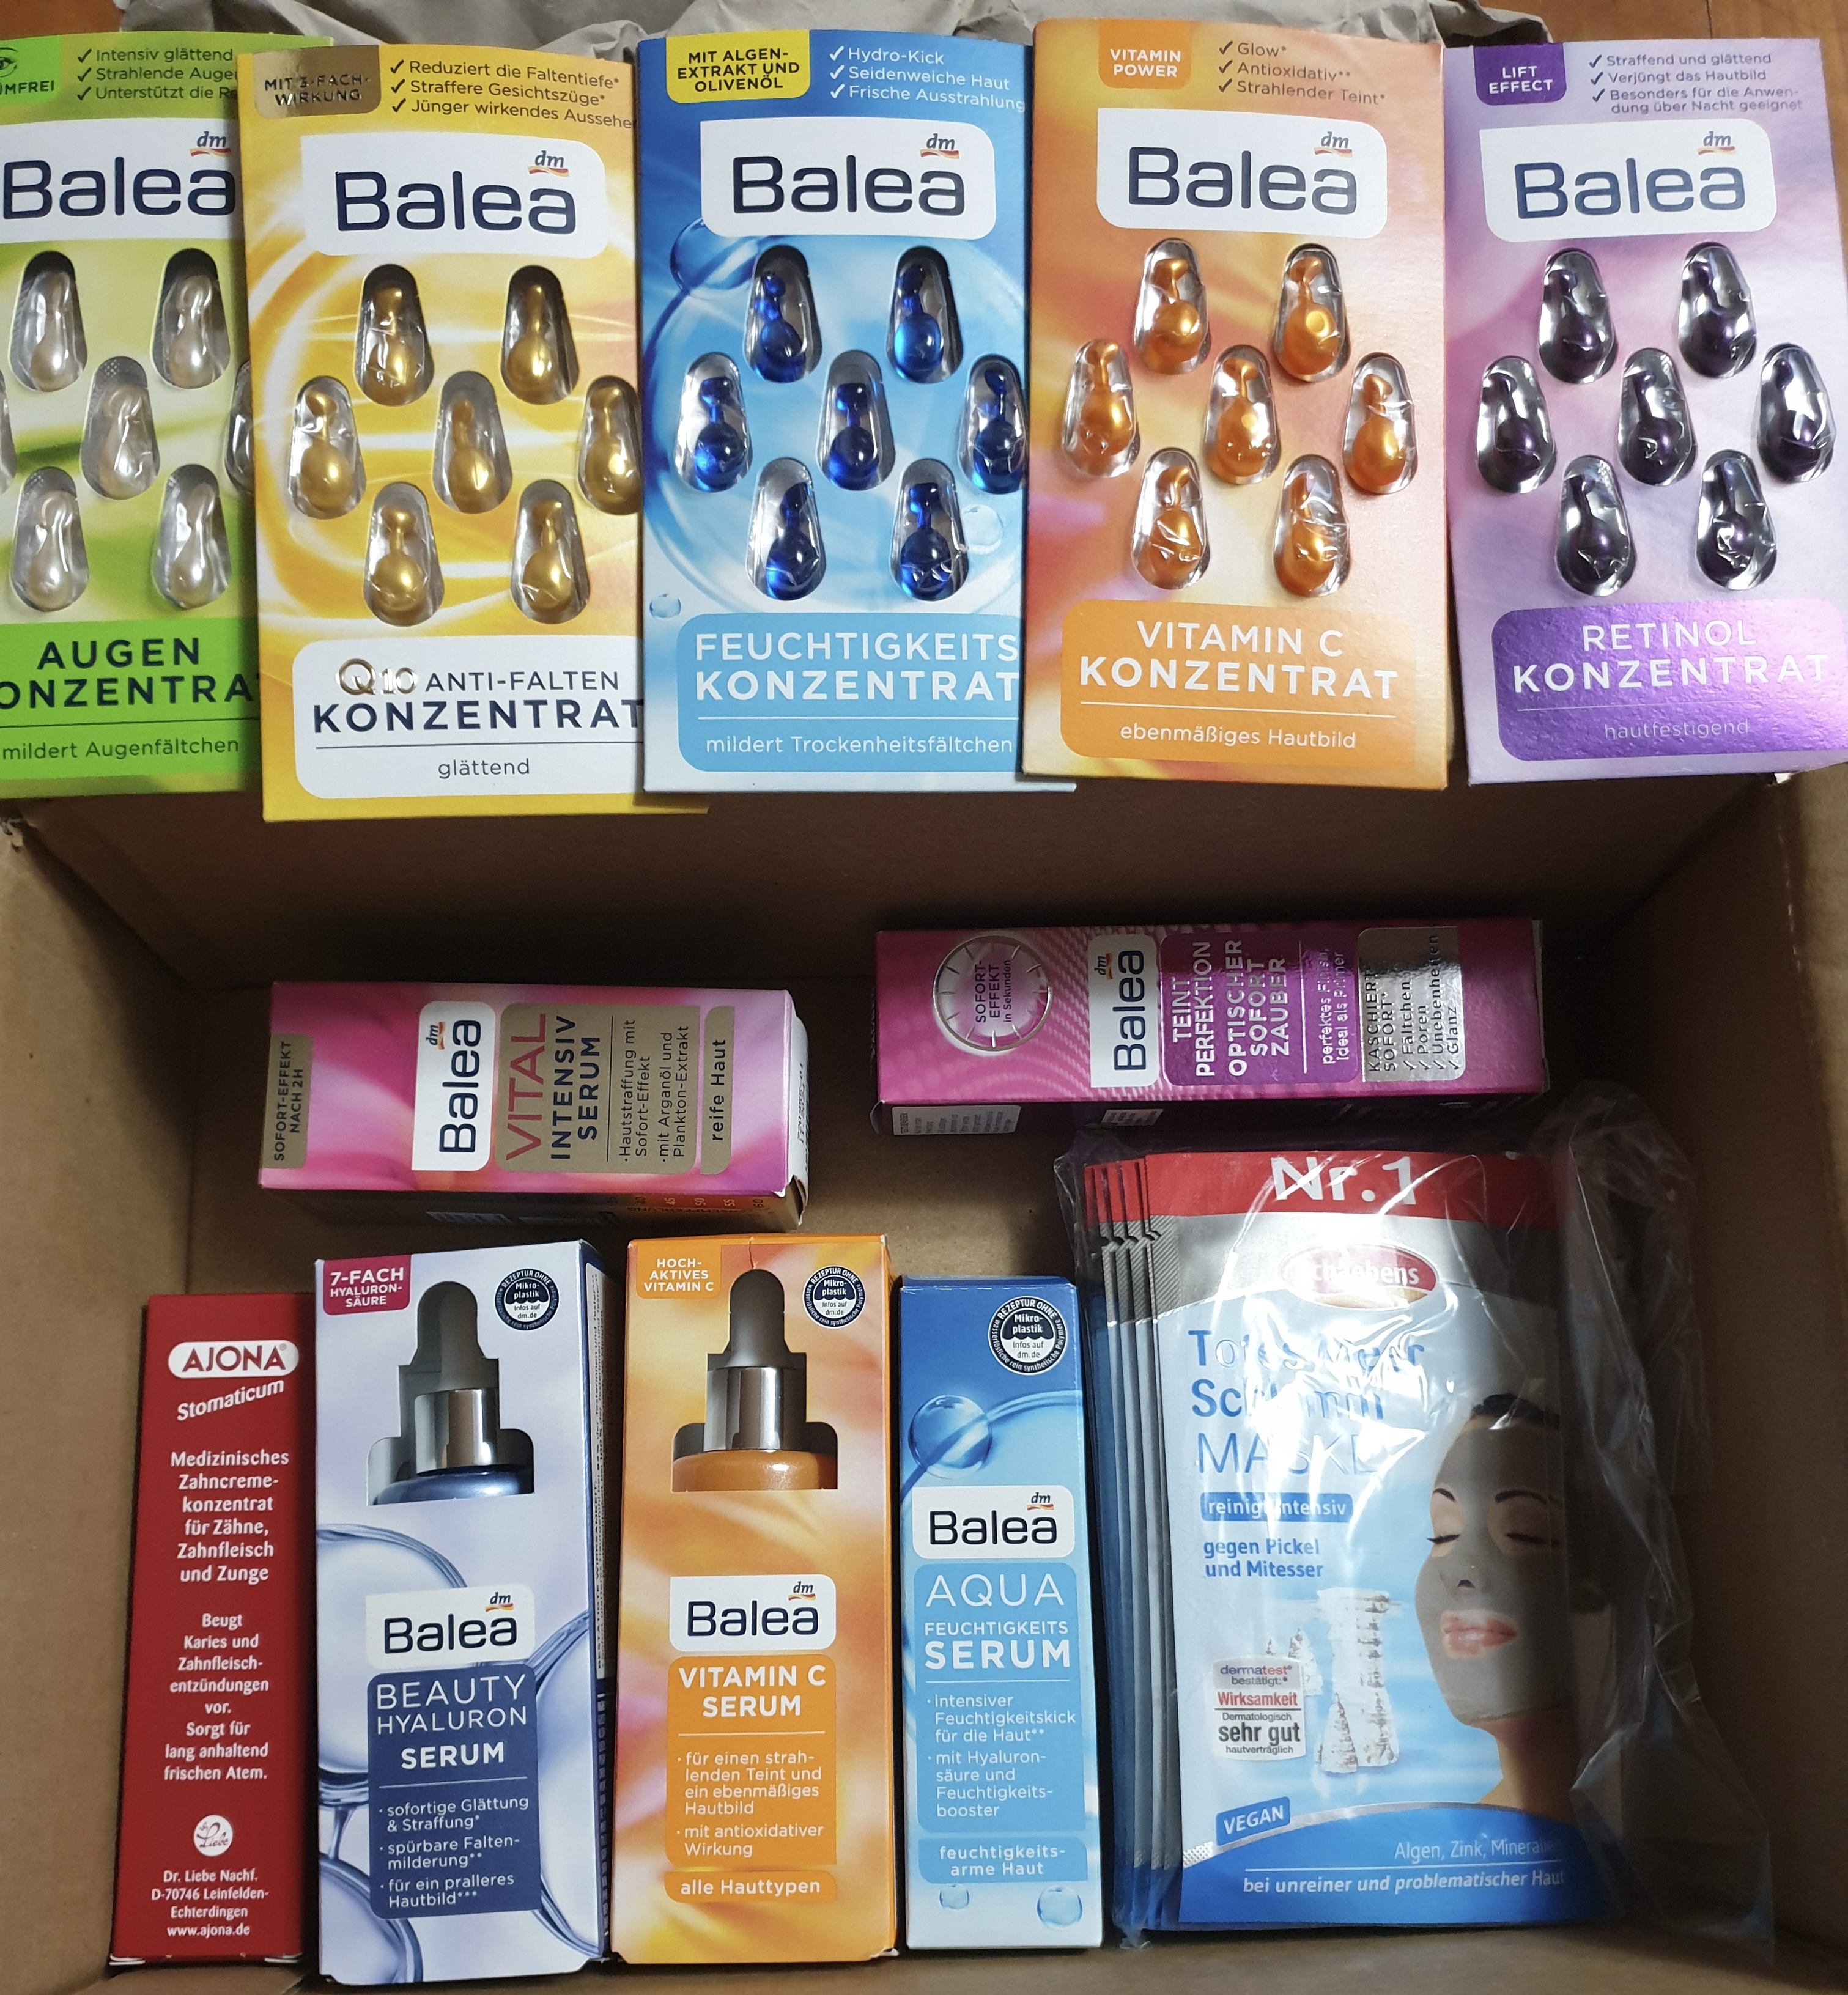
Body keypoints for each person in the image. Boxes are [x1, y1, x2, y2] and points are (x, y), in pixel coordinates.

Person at [1413, 1393, 1578, 1821]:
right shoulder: (1454, 1839)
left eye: (1525, 1532)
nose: (1462, 1572)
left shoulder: (1626, 1825)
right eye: (1443, 1534)